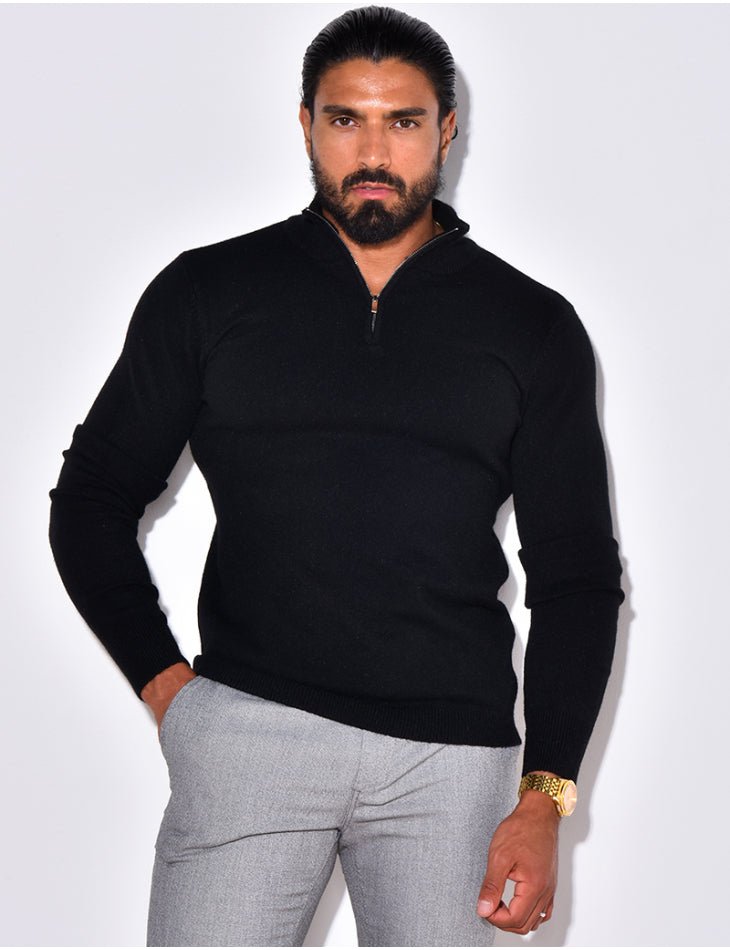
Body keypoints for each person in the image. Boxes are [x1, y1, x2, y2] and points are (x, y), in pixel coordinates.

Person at [49, 6, 623, 947]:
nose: (373, 151)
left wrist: (545, 795)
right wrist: (170, 694)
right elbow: (91, 501)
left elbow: (578, 578)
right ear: (306, 124)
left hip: (451, 764)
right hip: (249, 738)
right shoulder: (209, 292)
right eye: (345, 118)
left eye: (403, 121)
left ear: (446, 129)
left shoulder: (530, 324)